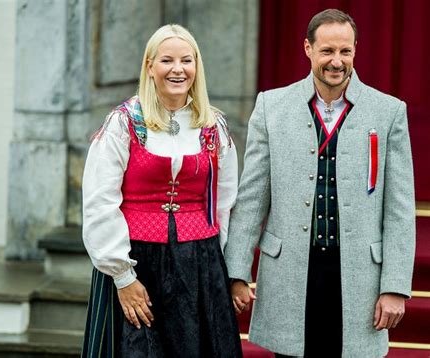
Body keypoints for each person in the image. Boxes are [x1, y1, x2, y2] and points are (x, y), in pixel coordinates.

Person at [225, 9, 415, 358]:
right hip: (289, 273)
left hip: (360, 276)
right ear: (308, 49)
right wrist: (236, 270)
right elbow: (252, 197)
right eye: (327, 51)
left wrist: (395, 287)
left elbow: (400, 210)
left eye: (345, 51)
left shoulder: (388, 112)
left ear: (356, 50)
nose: (336, 62)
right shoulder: (271, 107)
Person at [81, 24, 242, 357]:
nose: (178, 69)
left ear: (197, 68)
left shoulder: (212, 125)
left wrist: (222, 268)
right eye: (167, 60)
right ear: (150, 67)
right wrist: (123, 277)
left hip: (199, 264)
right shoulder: (124, 122)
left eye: (186, 60)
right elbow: (99, 202)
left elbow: (226, 201)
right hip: (137, 261)